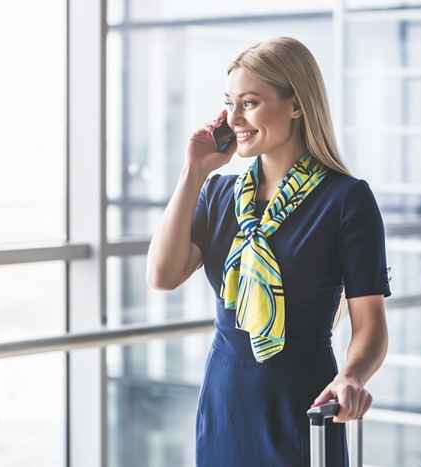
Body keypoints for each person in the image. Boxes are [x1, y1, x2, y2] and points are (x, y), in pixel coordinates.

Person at [146, 36, 391, 466]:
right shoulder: (219, 194)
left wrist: (350, 376)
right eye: (230, 103)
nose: (234, 118)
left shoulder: (346, 200)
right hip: (225, 408)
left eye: (250, 103)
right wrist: (194, 170)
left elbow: (370, 324)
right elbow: (162, 276)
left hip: (304, 408)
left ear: (295, 105)